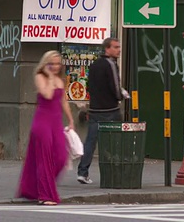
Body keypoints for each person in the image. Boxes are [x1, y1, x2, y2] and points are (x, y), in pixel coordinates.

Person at [17, 50, 75, 205]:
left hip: (56, 123)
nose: (55, 67)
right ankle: (45, 195)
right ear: (45, 64)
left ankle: (39, 187)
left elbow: (64, 102)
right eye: (52, 64)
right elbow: (48, 95)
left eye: (57, 64)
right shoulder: (40, 77)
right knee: (45, 158)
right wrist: (49, 77)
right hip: (42, 123)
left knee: (61, 157)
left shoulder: (60, 80)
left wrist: (71, 120)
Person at [77, 37, 125, 184]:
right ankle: (116, 171)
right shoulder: (111, 64)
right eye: (115, 47)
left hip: (95, 109)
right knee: (117, 141)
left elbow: (90, 86)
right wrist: (121, 96)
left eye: (119, 47)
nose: (119, 50)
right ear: (107, 49)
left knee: (91, 142)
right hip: (110, 109)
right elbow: (115, 87)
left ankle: (82, 172)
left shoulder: (94, 65)